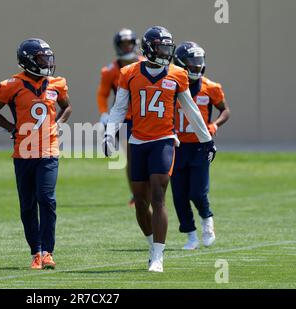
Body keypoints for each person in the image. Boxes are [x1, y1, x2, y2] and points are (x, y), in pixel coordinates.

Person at [103, 26, 216, 272]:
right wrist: (109, 133)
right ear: (150, 48)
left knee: (158, 196)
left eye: (168, 48)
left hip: (164, 140)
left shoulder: (177, 74)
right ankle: (150, 244)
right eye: (163, 48)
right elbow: (120, 108)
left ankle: (158, 256)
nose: (167, 53)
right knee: (142, 203)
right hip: (137, 142)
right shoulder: (129, 72)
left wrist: (206, 139)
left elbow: (191, 110)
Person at [0, 38, 72, 270]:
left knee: (47, 199)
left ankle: (48, 252)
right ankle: (36, 251)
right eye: (42, 58)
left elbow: (67, 106)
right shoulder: (11, 85)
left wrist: (59, 124)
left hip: (49, 150)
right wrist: (11, 128)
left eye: (47, 58)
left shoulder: (56, 83)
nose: (47, 63)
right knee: (28, 205)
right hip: (23, 152)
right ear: (29, 60)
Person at [171, 41, 230, 249]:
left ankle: (207, 219)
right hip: (177, 147)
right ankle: (191, 236)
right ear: (180, 63)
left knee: (197, 192)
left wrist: (214, 126)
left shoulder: (210, 87)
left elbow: (225, 110)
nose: (197, 66)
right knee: (179, 195)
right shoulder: (171, 85)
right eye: (191, 62)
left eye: (199, 61)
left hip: (200, 147)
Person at [97, 28, 143, 207]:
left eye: (128, 44)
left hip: (145, 118)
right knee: (131, 156)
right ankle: (135, 193)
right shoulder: (110, 70)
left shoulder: (145, 64)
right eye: (122, 45)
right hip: (123, 119)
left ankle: (150, 191)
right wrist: (104, 113)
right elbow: (102, 94)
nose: (126, 48)